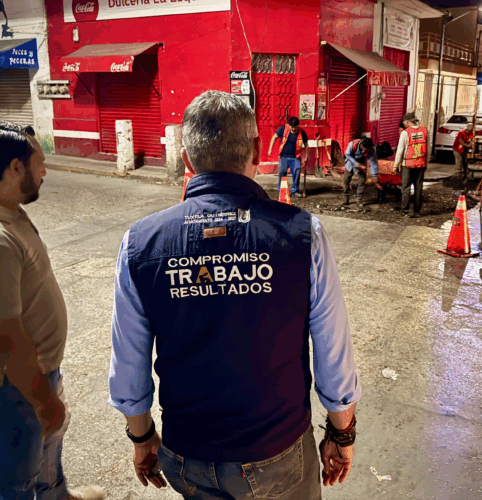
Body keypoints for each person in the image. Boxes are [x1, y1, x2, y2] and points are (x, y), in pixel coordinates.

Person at [109, 91, 360, 500]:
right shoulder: (301, 234)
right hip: (276, 452)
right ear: (258, 151)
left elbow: (128, 363)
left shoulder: (139, 243)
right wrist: (341, 432)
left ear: (187, 160)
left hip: (187, 454)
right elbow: (334, 352)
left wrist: (142, 437)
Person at [0, 122, 104, 500]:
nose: (45, 171)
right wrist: (43, 400)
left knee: (46, 453)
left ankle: (57, 496)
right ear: (16, 168)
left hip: (29, 378)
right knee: (17, 485)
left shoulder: (2, 207)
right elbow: (7, 339)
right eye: (40, 163)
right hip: (9, 387)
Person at [393, 113, 428, 217]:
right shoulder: (425, 130)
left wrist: (395, 165)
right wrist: (426, 163)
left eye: (404, 122)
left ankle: (405, 211)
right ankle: (417, 211)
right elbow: (428, 148)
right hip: (421, 164)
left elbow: (400, 150)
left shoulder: (405, 132)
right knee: (418, 188)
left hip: (407, 164)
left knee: (406, 188)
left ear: (407, 122)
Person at [267, 116, 308, 198]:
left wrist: (306, 156)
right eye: (292, 127)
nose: (293, 129)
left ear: (298, 125)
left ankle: (294, 191)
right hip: (283, 156)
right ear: (289, 126)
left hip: (295, 157)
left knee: (296, 172)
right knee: (282, 173)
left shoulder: (302, 132)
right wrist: (270, 149)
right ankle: (281, 190)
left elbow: (306, 145)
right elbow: (274, 137)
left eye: (295, 127)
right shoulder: (283, 129)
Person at [342, 136, 380, 208]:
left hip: (361, 163)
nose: (367, 151)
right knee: (346, 180)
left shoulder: (371, 149)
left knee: (362, 181)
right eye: (366, 149)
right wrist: (357, 164)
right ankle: (345, 199)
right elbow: (347, 155)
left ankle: (359, 200)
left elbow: (373, 162)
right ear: (362, 146)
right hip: (350, 163)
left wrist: (374, 176)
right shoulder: (352, 144)